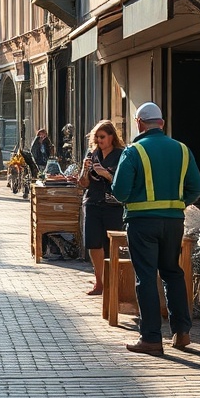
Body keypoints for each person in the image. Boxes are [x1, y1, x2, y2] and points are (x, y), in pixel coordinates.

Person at [112, 102, 200, 355]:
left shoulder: (134, 151)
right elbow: (197, 187)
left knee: (146, 277)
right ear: (161, 123)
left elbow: (120, 192)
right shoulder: (182, 149)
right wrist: (178, 204)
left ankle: (151, 338)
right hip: (173, 222)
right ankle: (182, 332)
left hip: (141, 222)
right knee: (172, 273)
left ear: (139, 123)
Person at [78, 120, 126, 296]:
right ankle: (99, 282)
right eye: (97, 137)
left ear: (112, 137)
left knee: (111, 244)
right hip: (92, 203)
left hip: (113, 206)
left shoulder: (121, 155)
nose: (99, 140)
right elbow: (83, 183)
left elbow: (123, 182)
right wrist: (85, 170)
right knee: (93, 244)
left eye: (102, 137)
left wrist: (105, 174)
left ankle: (113, 282)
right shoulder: (92, 154)